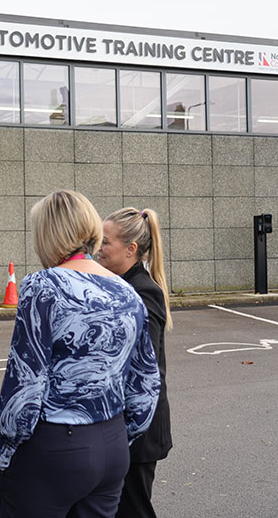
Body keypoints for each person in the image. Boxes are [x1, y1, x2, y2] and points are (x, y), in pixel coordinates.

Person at [0, 190, 160, 518]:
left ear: (48, 235)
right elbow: (146, 385)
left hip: (55, 446)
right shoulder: (128, 292)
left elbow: (25, 382)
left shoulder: (43, 287)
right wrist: (117, 435)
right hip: (111, 446)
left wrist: (7, 447)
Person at [98, 208, 173, 518]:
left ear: (130, 250)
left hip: (139, 429)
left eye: (105, 242)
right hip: (123, 426)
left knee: (133, 510)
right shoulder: (120, 284)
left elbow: (145, 368)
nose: (97, 248)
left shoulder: (143, 292)